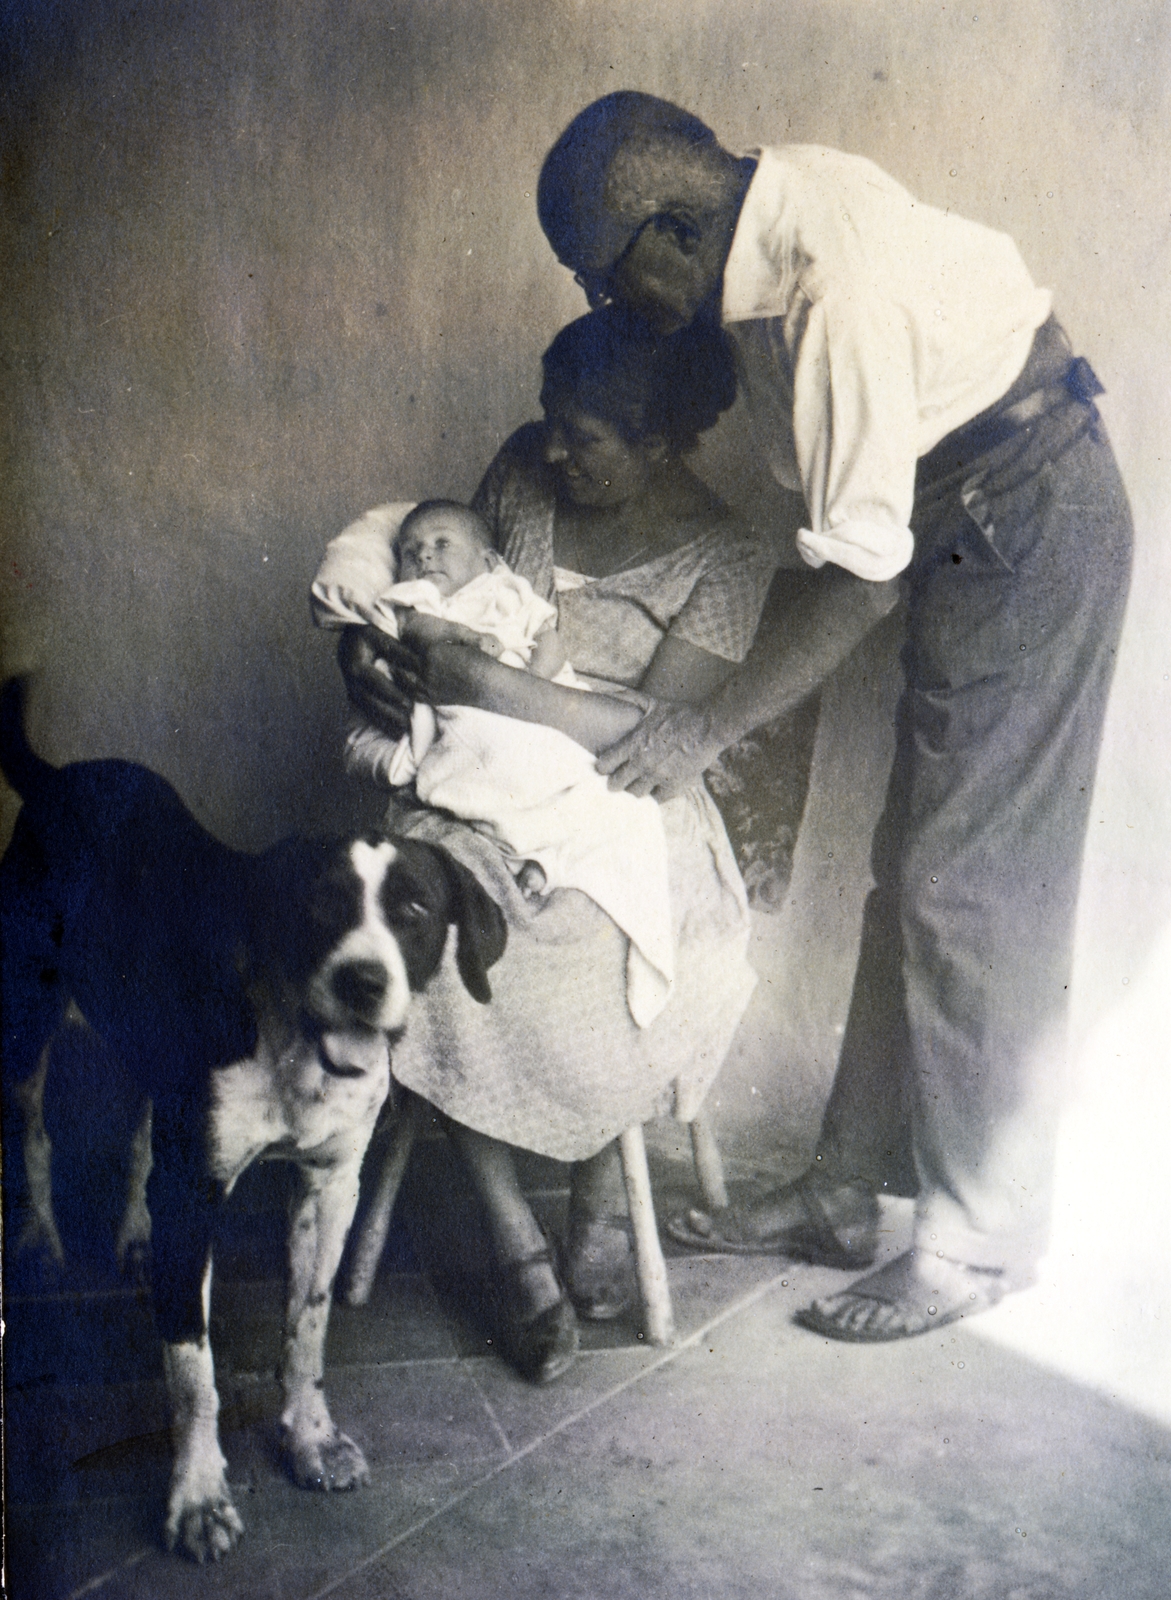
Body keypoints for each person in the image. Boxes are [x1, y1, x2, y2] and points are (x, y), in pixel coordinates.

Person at [534, 91, 1133, 1342]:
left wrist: (703, 727)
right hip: (966, 509)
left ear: (671, 234)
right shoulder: (763, 207)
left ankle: (973, 1245)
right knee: (910, 874)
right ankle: (843, 1194)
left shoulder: (829, 295)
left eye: (603, 279)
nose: (609, 308)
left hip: (1026, 514)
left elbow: (860, 579)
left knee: (969, 888)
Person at [327, 307, 778, 1381]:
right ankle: (512, 1237)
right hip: (480, 778)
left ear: (663, 444)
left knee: (602, 933)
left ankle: (594, 1194)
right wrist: (367, 657)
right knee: (430, 911)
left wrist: (487, 680)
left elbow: (652, 732)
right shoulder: (525, 476)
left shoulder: (728, 553)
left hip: (629, 788)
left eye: (587, 437)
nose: (552, 450)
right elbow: (433, 595)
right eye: (548, 423)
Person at [314, 497, 675, 1026]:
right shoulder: (416, 597)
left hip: (548, 713)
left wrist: (529, 678)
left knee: (619, 805)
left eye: (441, 546)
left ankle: (546, 857)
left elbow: (550, 645)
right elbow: (402, 625)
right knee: (498, 774)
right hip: (463, 722)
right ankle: (531, 847)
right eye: (412, 552)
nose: (425, 558)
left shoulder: (510, 593)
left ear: (488, 562)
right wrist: (439, 637)